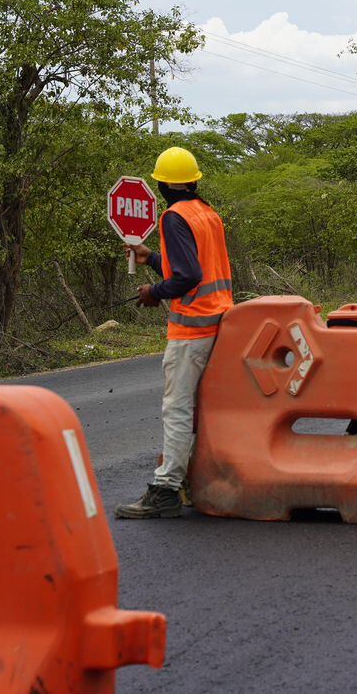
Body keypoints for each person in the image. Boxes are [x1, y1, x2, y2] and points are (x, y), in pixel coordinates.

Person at [115, 146, 235, 519]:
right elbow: (191, 267)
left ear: (164, 185)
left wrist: (155, 292)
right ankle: (191, 478)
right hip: (221, 320)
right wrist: (151, 259)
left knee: (178, 408)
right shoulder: (207, 213)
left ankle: (166, 488)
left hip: (192, 328)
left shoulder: (173, 217)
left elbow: (187, 277)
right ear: (193, 181)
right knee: (203, 407)